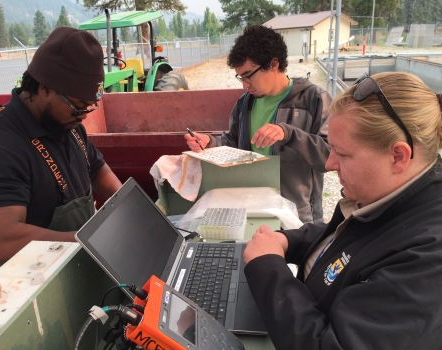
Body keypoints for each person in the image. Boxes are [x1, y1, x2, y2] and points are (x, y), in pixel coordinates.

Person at [243, 72, 442, 349]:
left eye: (343, 153)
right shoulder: (397, 198)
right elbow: (350, 237)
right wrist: (290, 240)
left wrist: (267, 268)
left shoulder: (428, 261)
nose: (330, 163)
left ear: (398, 156)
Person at [0, 27, 122, 271]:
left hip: (77, 262)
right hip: (32, 282)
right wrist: (92, 240)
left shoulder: (65, 123)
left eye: (89, 107)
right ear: (45, 87)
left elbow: (99, 171)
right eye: (78, 107)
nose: (83, 117)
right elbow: (3, 241)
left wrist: (128, 210)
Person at [184, 25, 332, 224]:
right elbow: (234, 142)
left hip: (299, 216)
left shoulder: (314, 99)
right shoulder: (245, 103)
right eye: (240, 77)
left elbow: (330, 157)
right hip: (255, 209)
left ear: (273, 64)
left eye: (248, 75)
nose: (245, 85)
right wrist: (210, 142)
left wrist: (289, 134)